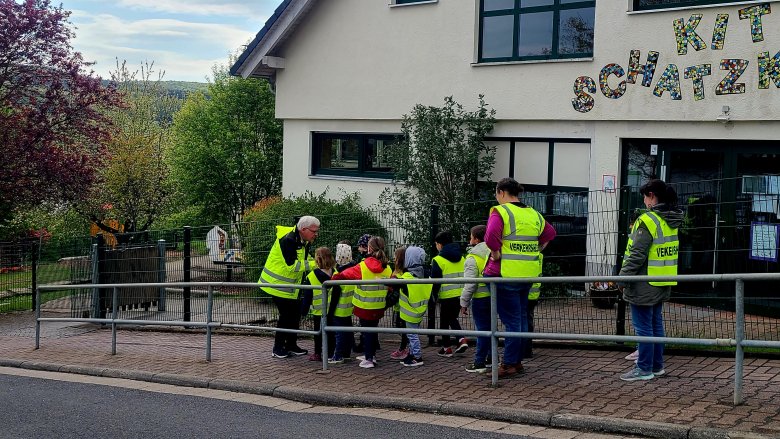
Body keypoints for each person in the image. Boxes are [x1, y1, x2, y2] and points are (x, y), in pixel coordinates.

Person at [485, 178, 556, 378]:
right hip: (528, 274)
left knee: (512, 321)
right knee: (521, 318)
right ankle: (516, 361)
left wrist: (496, 254)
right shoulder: (533, 213)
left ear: (501, 192)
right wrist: (536, 249)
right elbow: (550, 233)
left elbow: (490, 237)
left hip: (506, 274)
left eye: (496, 193)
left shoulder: (501, 211)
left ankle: (509, 363)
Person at [618, 179, 683, 382]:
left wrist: (621, 279)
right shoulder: (670, 219)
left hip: (644, 283)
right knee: (655, 325)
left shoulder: (648, 220)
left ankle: (644, 368)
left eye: (645, 197)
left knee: (644, 328)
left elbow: (636, 254)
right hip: (663, 279)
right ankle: (657, 366)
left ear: (652, 196)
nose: (644, 201)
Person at [258, 216, 319, 359]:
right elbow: (291, 266)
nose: (316, 234)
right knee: (286, 316)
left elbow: (304, 258)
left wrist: (317, 261)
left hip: (290, 287)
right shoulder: (289, 240)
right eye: (314, 231)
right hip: (276, 285)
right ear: (303, 229)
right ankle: (278, 348)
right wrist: (316, 264)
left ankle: (291, 345)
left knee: (295, 314)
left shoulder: (302, 239)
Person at [331, 236, 391, 369]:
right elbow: (391, 286)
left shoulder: (363, 266)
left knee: (367, 331)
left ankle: (369, 358)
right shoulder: (387, 267)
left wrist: (333, 278)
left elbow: (345, 275)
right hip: (379, 306)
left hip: (364, 306)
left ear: (369, 248)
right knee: (372, 330)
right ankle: (371, 354)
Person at [460, 225, 492, 373]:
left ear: (476, 239)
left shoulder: (473, 258)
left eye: (471, 237)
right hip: (494, 296)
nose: (469, 240)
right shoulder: (494, 252)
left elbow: (470, 284)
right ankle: (491, 358)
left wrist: (464, 302)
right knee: (491, 330)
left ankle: (479, 362)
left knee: (482, 331)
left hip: (480, 299)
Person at [432, 231, 468, 357]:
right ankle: (446, 347)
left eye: (436, 244)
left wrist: (434, 295)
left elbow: (435, 282)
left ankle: (460, 339)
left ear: (440, 244)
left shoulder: (437, 260)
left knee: (449, 318)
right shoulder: (462, 257)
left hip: (446, 295)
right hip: (461, 294)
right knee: (446, 320)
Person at [397, 246, 431, 367]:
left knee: (412, 335)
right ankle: (411, 354)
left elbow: (395, 283)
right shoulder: (426, 274)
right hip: (420, 309)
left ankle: (417, 356)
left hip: (409, 311)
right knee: (412, 333)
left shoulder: (408, 276)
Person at [304, 247, 336, 362]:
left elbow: (307, 296)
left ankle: (317, 353)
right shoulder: (336, 273)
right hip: (333, 310)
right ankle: (331, 353)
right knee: (331, 333)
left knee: (318, 333)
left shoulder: (311, 276)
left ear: (317, 259)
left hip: (318, 311)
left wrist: (303, 311)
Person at [329, 242, 357, 364]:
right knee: (348, 332)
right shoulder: (354, 271)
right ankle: (346, 354)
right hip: (349, 308)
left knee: (339, 334)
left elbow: (334, 296)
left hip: (339, 309)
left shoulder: (338, 275)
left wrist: (330, 312)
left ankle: (338, 355)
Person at [390, 246, 410, 360]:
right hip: (400, 306)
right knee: (400, 327)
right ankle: (405, 347)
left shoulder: (400, 274)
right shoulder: (401, 271)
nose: (393, 258)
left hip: (401, 306)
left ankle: (404, 348)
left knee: (401, 327)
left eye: (395, 256)